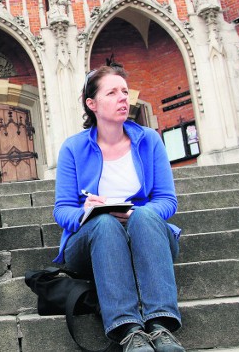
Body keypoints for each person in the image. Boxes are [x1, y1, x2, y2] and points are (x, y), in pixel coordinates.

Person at [53, 66, 184, 352]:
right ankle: (128, 329)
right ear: (92, 104)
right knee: (104, 224)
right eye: (112, 92)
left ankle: (161, 326)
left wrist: (137, 214)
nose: (123, 98)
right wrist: (85, 210)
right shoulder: (73, 148)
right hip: (91, 243)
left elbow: (167, 200)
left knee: (147, 214)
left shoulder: (149, 140)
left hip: (146, 235)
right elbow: (61, 210)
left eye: (124, 91)